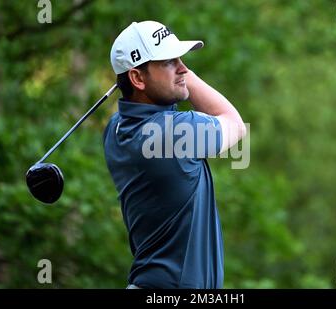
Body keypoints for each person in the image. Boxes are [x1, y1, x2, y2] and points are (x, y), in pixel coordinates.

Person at [103, 20, 246, 289]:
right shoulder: (175, 132)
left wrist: (169, 73)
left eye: (180, 59)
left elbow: (142, 106)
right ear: (137, 77)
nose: (183, 68)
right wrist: (184, 78)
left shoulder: (115, 129)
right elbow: (235, 124)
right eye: (169, 61)